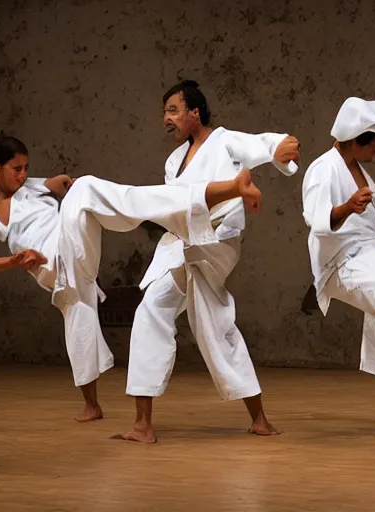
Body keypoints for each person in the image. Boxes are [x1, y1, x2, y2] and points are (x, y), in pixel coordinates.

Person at [0, 134, 265, 423]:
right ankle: (91, 405)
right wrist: (11, 261)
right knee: (78, 312)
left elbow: (58, 183)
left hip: (73, 248)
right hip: (54, 267)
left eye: (26, 168)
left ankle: (214, 193)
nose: (23, 175)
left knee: (85, 189)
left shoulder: (31, 187)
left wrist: (64, 183)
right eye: (16, 169)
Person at [119, 80, 301, 443]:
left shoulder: (224, 141)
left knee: (209, 321)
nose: (166, 119)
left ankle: (256, 417)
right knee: (163, 314)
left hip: (217, 243)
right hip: (181, 244)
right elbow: (177, 204)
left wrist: (282, 147)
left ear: (194, 113)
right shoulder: (174, 162)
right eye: (165, 113)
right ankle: (145, 423)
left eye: (172, 111)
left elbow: (264, 144)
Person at [300, 97, 375, 436]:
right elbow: (318, 220)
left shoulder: (357, 168)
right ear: (357, 140)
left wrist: (354, 208)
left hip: (369, 255)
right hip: (341, 262)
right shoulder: (323, 170)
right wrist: (347, 207)